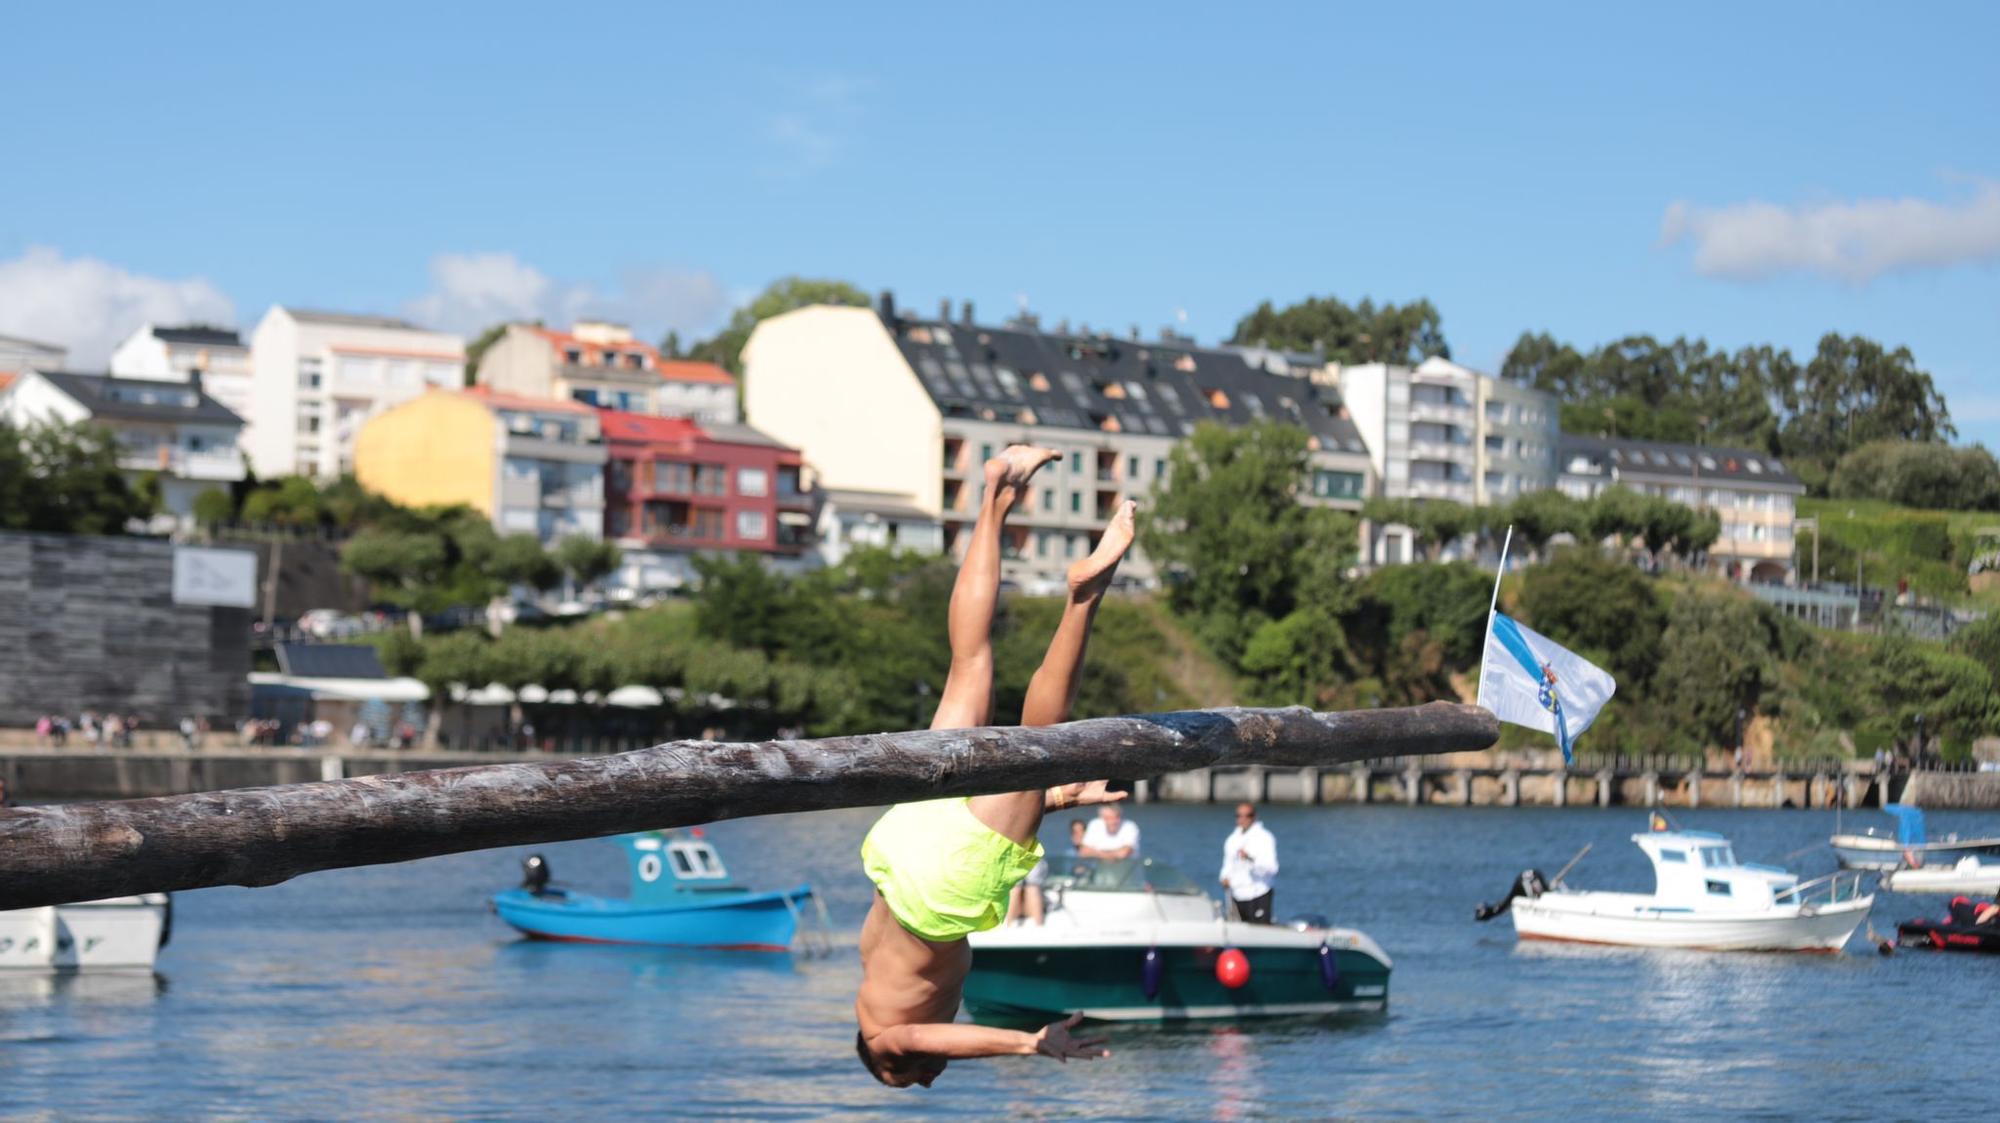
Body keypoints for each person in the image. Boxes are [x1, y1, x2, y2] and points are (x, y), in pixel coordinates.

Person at [855, 446, 1136, 1088]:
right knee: (969, 663)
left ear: (877, 1056)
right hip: (901, 846)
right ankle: (997, 494)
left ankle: (1083, 596)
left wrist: (1030, 1043)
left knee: (1043, 745)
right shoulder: (869, 972)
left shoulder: (885, 1034)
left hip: (938, 890)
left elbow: (918, 1039)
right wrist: (1059, 805)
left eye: (908, 1080)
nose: (926, 1079)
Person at [1218, 803, 1280, 924]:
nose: (1243, 819)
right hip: (1237, 894)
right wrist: (1224, 878)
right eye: (1239, 816)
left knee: (1260, 934)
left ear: (1254, 817)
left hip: (1258, 893)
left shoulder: (1265, 837)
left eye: (1248, 816)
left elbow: (1272, 868)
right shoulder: (1232, 840)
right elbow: (1228, 864)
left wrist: (1250, 859)